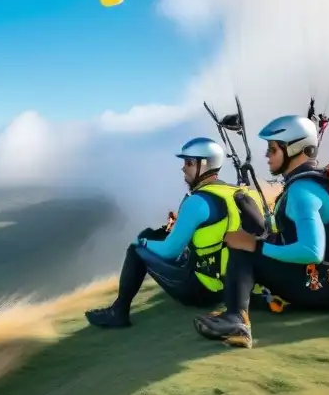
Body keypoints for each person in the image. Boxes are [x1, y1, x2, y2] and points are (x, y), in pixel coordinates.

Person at [193, 113, 329, 348]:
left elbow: (311, 251)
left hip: (325, 290)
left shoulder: (301, 192)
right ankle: (240, 307)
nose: (266, 155)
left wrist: (255, 245)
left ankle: (236, 320)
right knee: (254, 244)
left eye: (273, 149)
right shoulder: (315, 183)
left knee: (244, 250)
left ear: (294, 150)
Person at [84, 137, 268, 331]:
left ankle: (118, 312)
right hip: (236, 287)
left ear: (204, 165)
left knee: (136, 249)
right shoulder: (243, 193)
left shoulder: (197, 201)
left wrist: (144, 243)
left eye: (189, 163)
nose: (183, 168)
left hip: (203, 291)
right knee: (156, 236)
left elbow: (170, 251)